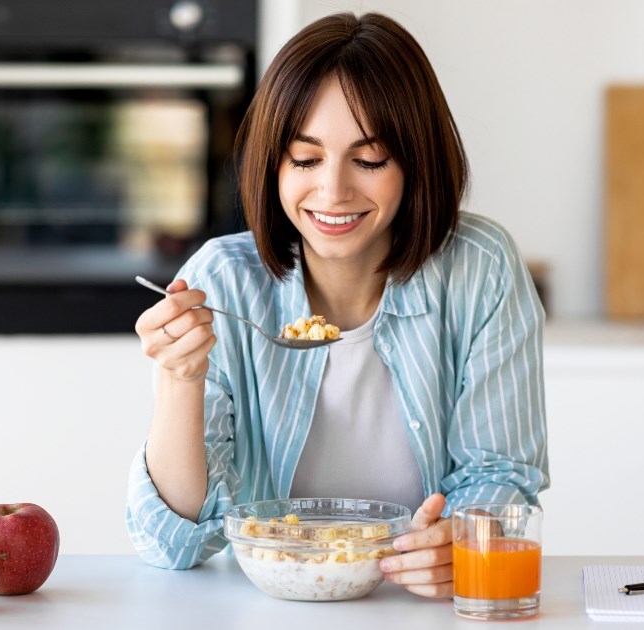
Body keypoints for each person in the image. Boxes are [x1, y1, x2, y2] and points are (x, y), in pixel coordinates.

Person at [126, 11, 548, 599]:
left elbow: (499, 476)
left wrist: (464, 541)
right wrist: (178, 377)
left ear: (416, 162)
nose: (333, 192)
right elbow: (172, 546)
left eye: (369, 159)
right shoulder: (222, 282)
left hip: (417, 607)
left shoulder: (479, 267)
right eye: (305, 158)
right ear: (273, 163)